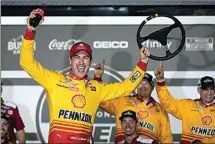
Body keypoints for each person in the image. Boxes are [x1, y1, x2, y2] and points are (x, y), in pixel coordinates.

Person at [19, 8, 151, 143]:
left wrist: (143, 62)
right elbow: (27, 63)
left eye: (86, 57)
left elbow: (127, 87)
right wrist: (30, 31)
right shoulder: (54, 80)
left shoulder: (96, 88)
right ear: (70, 61)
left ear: (90, 62)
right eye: (77, 57)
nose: (81, 62)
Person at [98, 72, 173, 143]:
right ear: (136, 86)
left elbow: (167, 138)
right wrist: (98, 78)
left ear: (152, 87)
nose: (143, 86)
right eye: (140, 83)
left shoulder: (161, 110)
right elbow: (100, 98)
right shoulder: (123, 101)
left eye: (146, 83)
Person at [154, 61, 215, 144]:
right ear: (199, 90)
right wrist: (161, 81)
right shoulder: (188, 106)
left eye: (212, 89)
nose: (209, 92)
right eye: (205, 89)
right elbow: (167, 102)